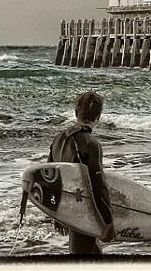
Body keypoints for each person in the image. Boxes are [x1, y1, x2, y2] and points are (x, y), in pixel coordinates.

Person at [47, 92, 115, 254]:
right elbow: (99, 187)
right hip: (82, 211)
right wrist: (108, 222)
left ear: (76, 113)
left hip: (66, 207)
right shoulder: (91, 143)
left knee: (93, 254)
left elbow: (50, 179)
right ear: (98, 116)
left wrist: (56, 213)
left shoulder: (58, 139)